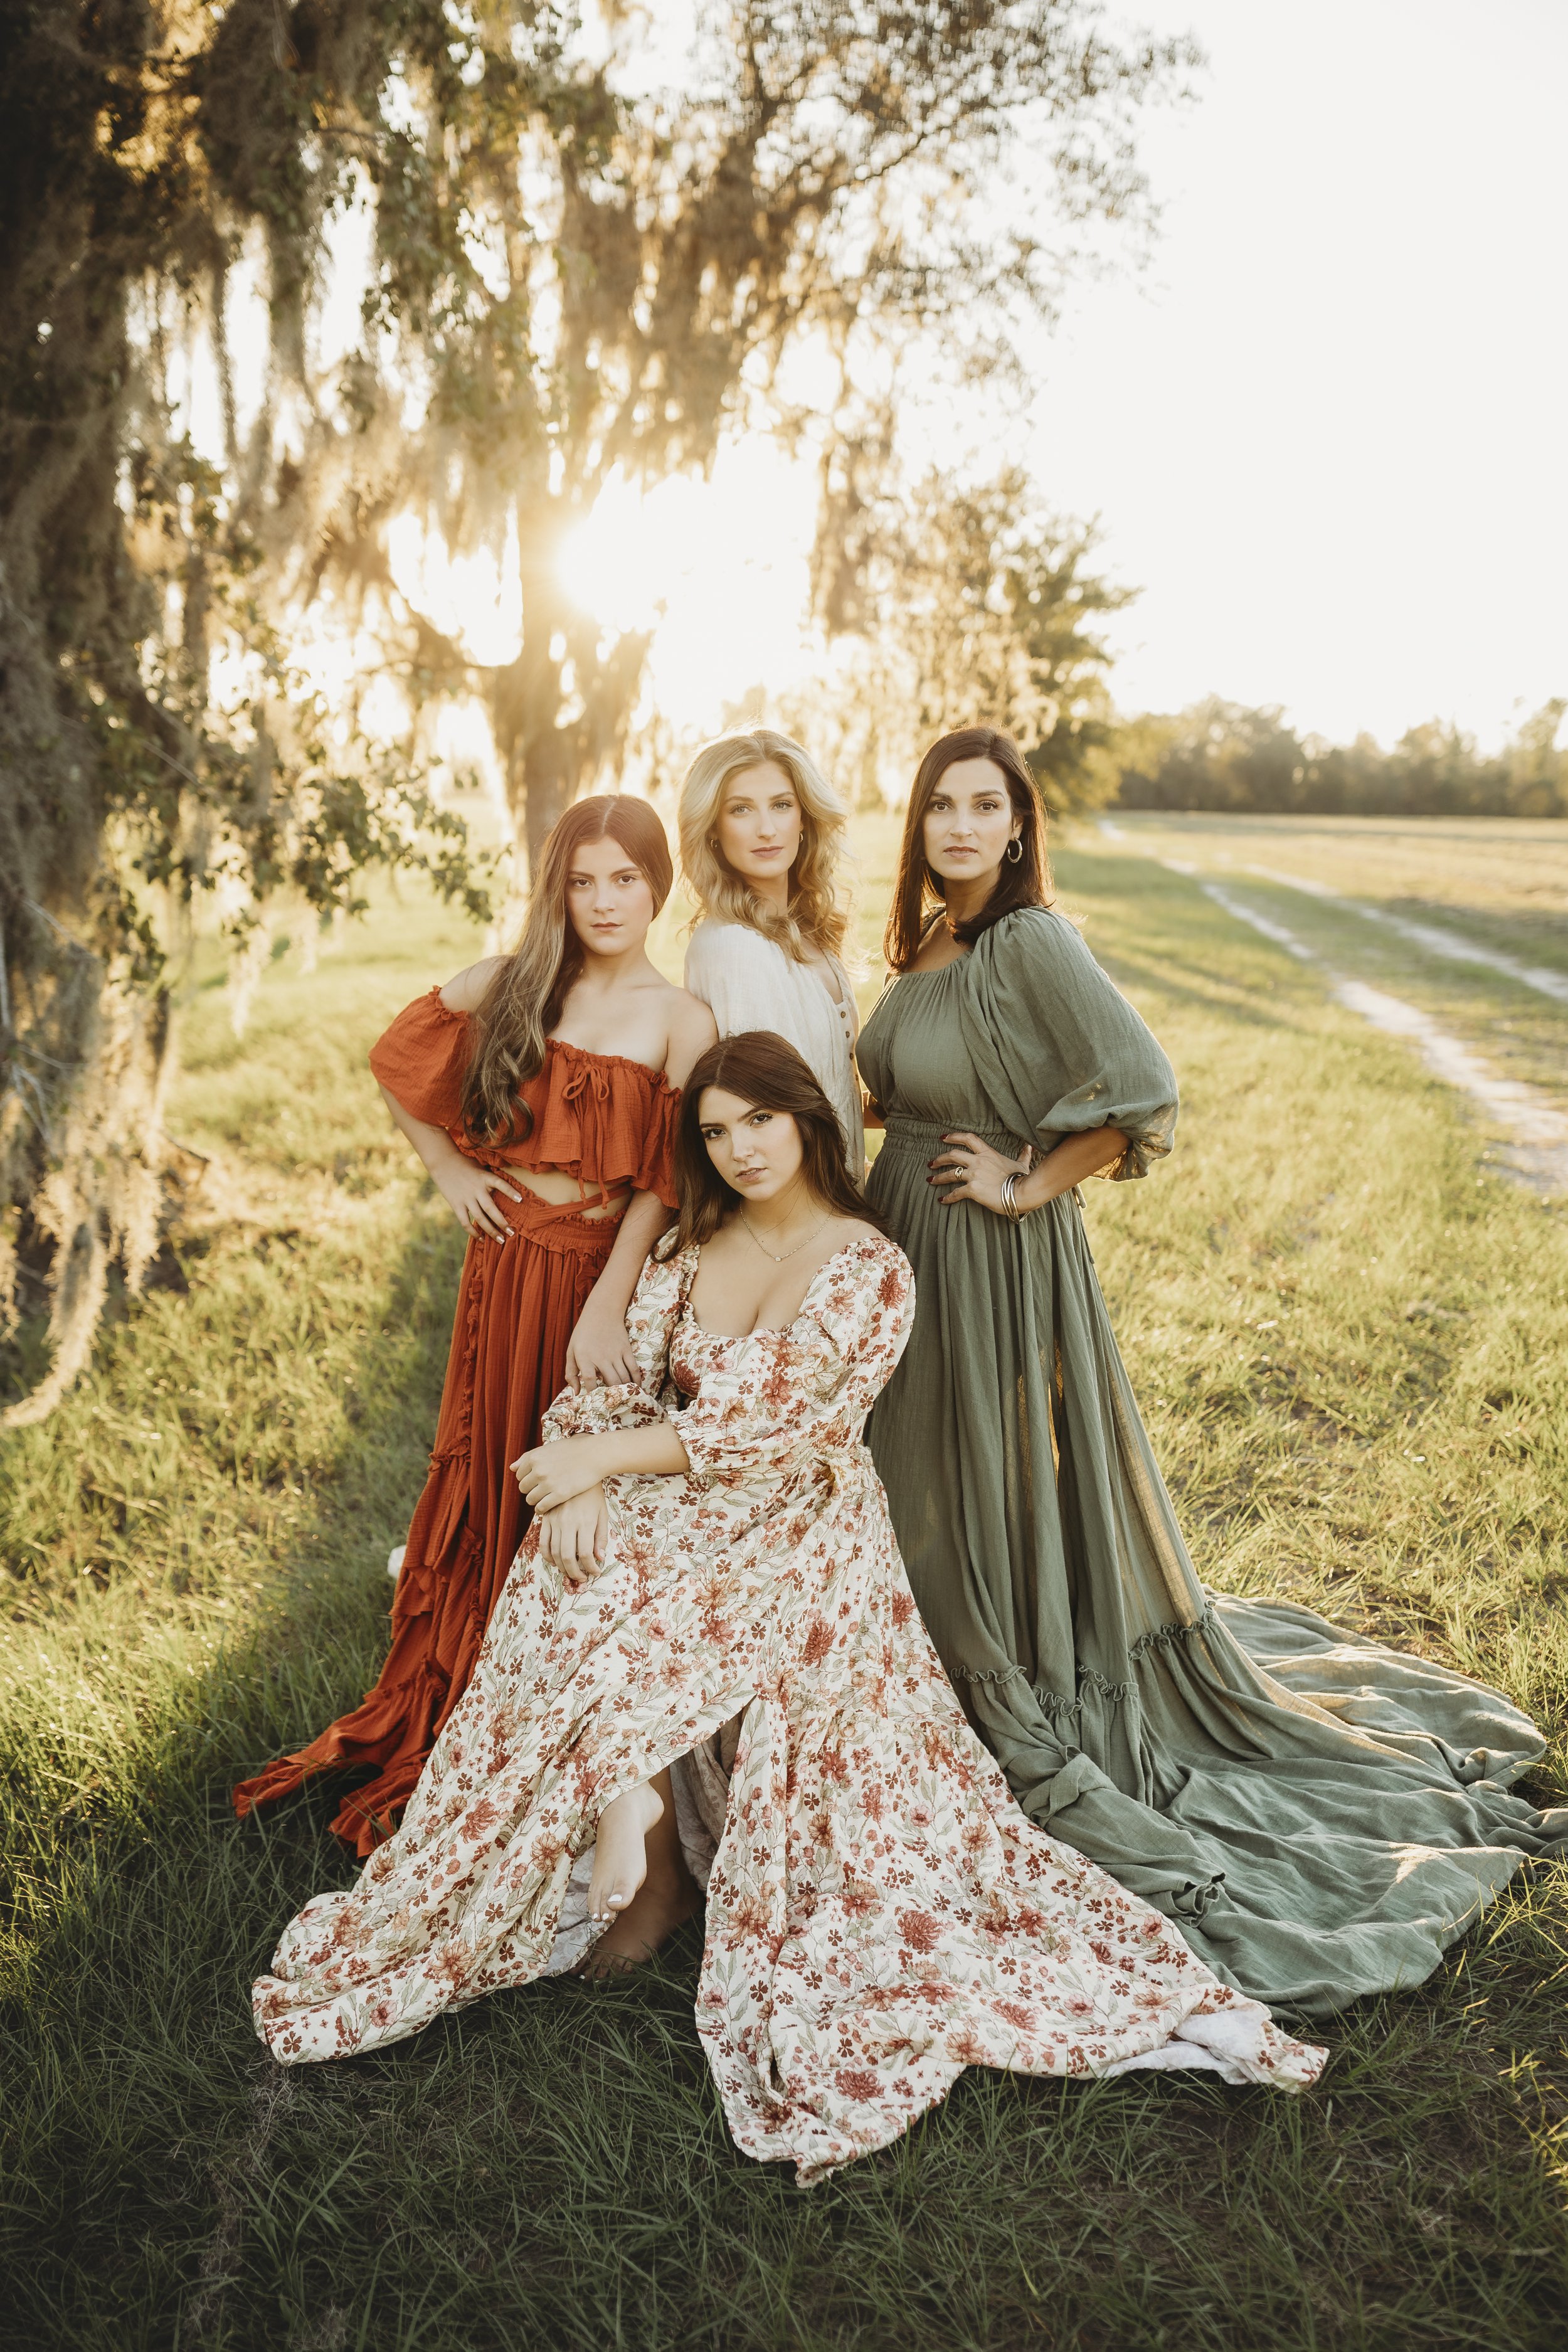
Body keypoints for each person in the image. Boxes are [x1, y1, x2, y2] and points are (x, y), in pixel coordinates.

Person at [252, 1032, 1325, 2185]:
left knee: (643, 1614)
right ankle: (642, 1836)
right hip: (677, 1496)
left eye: (758, 1121)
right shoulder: (688, 1243)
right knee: (569, 1585)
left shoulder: (869, 1265)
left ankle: (651, 1842)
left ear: (808, 1120)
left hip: (799, 1524)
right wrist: (580, 1469)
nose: (740, 1148)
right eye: (715, 1132)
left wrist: (605, 1461)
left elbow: (788, 1429)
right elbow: (613, 1382)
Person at [857, 724, 1568, 2016]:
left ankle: (1007, 1664)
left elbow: (1140, 1088)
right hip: (901, 1245)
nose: (958, 829)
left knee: (977, 1484)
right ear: (916, 827)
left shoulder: (1030, 941)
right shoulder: (920, 950)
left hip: (989, 1256)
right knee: (919, 1485)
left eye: (983, 808)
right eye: (938, 808)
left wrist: (1023, 1183)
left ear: (1016, 828)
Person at [233, 795, 716, 1853]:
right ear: (561, 886)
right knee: (490, 1465)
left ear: (657, 888)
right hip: (503, 1266)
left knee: (576, 1493)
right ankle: (457, 1701)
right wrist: (450, 1167)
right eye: (583, 880)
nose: (603, 901)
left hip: (597, 1277)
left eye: (624, 880)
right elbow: (397, 1052)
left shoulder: (681, 1018)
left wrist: (607, 1297)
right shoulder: (514, 982)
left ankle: (557, 1727)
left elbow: (669, 1180)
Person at [678, 728, 864, 1167]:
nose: (766, 829)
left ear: (804, 819)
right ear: (714, 831)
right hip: (800, 1218)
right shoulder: (733, 947)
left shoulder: (812, 934)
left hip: (843, 1203)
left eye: (781, 805)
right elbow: (761, 1119)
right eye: (741, 810)